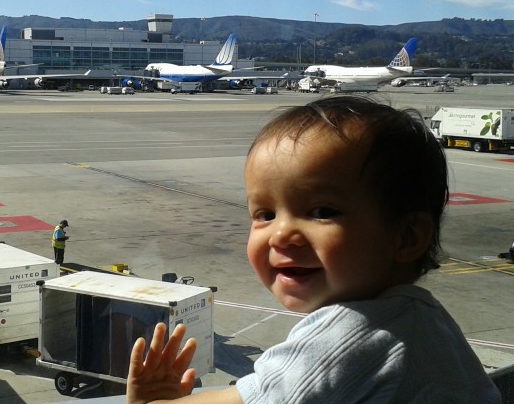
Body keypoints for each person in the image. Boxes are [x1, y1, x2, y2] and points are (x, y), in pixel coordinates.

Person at [126, 95, 500, 403]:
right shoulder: (424, 318)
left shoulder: (353, 333)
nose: (281, 235)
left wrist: (153, 400)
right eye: (265, 214)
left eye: (322, 212)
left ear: (406, 238)